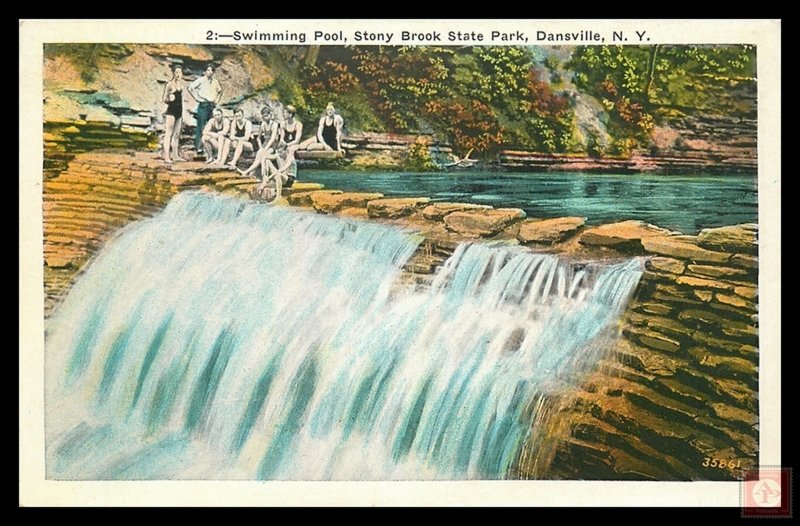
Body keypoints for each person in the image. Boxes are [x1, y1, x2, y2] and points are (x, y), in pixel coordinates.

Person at [188, 64, 223, 156]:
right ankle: (199, 148)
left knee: (212, 126)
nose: (210, 72)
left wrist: (217, 100)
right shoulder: (201, 80)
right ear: (205, 71)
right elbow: (190, 88)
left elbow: (219, 91)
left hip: (212, 106)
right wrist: (197, 98)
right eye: (208, 70)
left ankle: (212, 148)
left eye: (211, 70)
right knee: (201, 126)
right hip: (203, 104)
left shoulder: (215, 81)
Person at [237, 106, 280, 178]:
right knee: (258, 157)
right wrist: (261, 147)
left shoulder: (274, 125)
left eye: (267, 116)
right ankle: (250, 174)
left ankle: (248, 172)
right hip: (264, 144)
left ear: (270, 115)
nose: (265, 118)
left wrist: (265, 148)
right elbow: (258, 138)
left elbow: (272, 138)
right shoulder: (263, 124)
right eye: (264, 116)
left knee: (263, 155)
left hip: (273, 145)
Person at [161, 65, 185, 164]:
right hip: (171, 111)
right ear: (173, 73)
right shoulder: (169, 84)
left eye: (180, 72)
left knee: (176, 134)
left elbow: (181, 99)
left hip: (179, 111)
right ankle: (167, 156)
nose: (178, 74)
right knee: (168, 134)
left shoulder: (182, 85)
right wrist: (170, 99)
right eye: (176, 72)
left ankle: (175, 155)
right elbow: (164, 99)